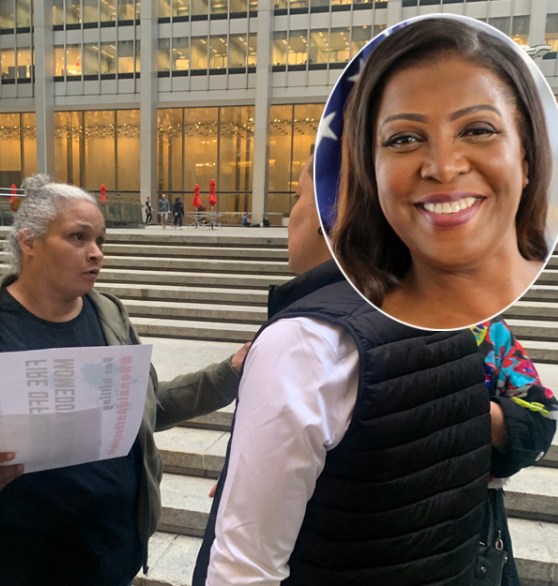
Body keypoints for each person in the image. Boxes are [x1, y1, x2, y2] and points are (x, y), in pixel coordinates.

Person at [0, 175, 247, 586]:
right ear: (29, 242)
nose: (96, 254)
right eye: (78, 238)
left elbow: (144, 408)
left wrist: (227, 374)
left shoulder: (110, 316)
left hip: (109, 557)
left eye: (100, 242)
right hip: (11, 566)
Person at [193, 156, 494, 585]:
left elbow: (245, 568)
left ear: (329, 214)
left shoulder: (305, 340)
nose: (290, 216)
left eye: (298, 197)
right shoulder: (444, 314)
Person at [329, 17, 558, 329]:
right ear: (370, 171)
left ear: (526, 159)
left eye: (478, 130)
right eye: (404, 139)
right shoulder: (334, 343)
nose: (443, 168)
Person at [472, 317, 558, 585]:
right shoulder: (349, 323)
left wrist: (474, 411)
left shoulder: (485, 329)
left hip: (469, 525)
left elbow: (540, 423)